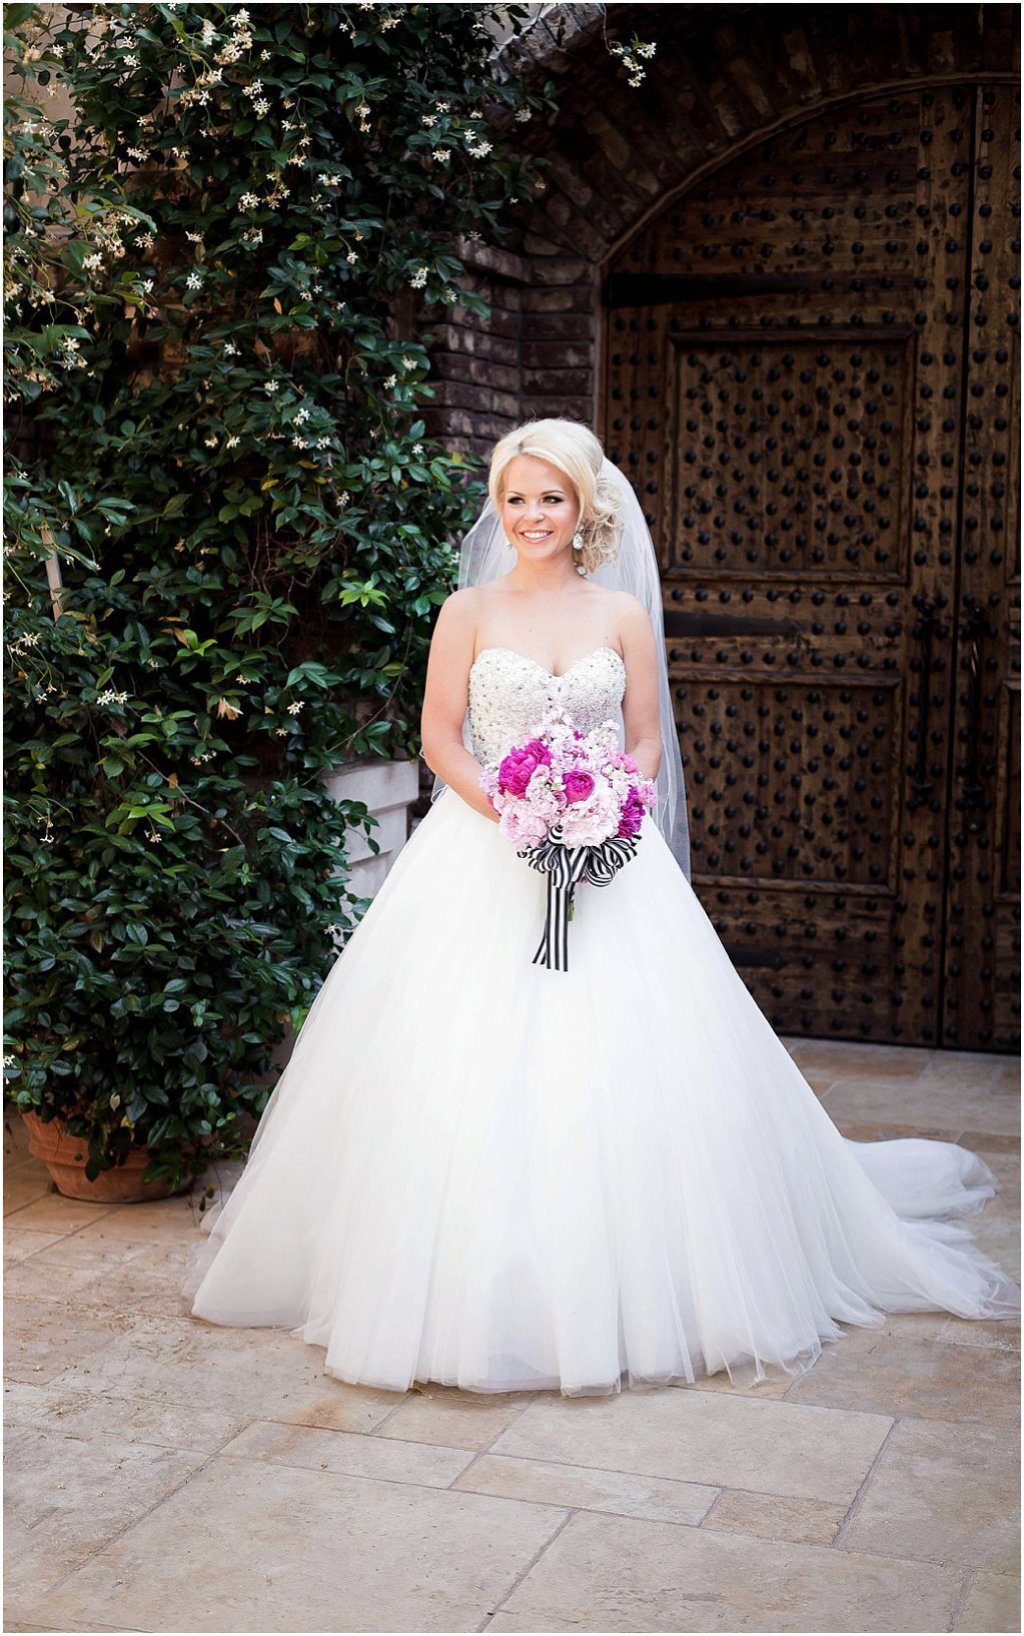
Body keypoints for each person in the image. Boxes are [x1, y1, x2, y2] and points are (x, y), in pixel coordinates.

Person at [184, 418, 1020, 1397]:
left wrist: (605, 803)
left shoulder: (619, 615)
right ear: (497, 508)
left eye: (550, 497)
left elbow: (646, 736)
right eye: (515, 498)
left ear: (583, 507)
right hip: (481, 852)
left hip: (609, 859)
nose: (531, 515)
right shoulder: (467, 609)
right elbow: (439, 735)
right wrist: (515, 810)